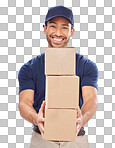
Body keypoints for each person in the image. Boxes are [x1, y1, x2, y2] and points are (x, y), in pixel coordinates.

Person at [18, 5, 98, 148]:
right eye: (53, 26)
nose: (58, 33)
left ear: (72, 31)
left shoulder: (86, 66)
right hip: (41, 138)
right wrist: (36, 118)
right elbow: (24, 103)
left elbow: (91, 99)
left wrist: (82, 119)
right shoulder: (29, 68)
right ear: (45, 29)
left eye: (65, 27)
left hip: (75, 138)